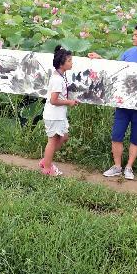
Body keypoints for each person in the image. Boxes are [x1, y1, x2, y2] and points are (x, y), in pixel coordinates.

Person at [88, 23, 137, 180]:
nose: (133, 37)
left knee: (136, 137)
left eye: (136, 35)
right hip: (123, 102)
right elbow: (116, 70)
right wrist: (100, 59)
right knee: (117, 135)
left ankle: (129, 167)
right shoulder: (128, 53)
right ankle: (117, 166)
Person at [40, 45, 78, 177]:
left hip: (58, 115)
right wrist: (69, 102)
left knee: (64, 137)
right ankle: (47, 167)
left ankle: (46, 161)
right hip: (54, 115)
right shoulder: (57, 79)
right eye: (69, 61)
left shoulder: (60, 76)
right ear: (62, 64)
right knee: (53, 140)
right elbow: (53, 100)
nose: (71, 63)